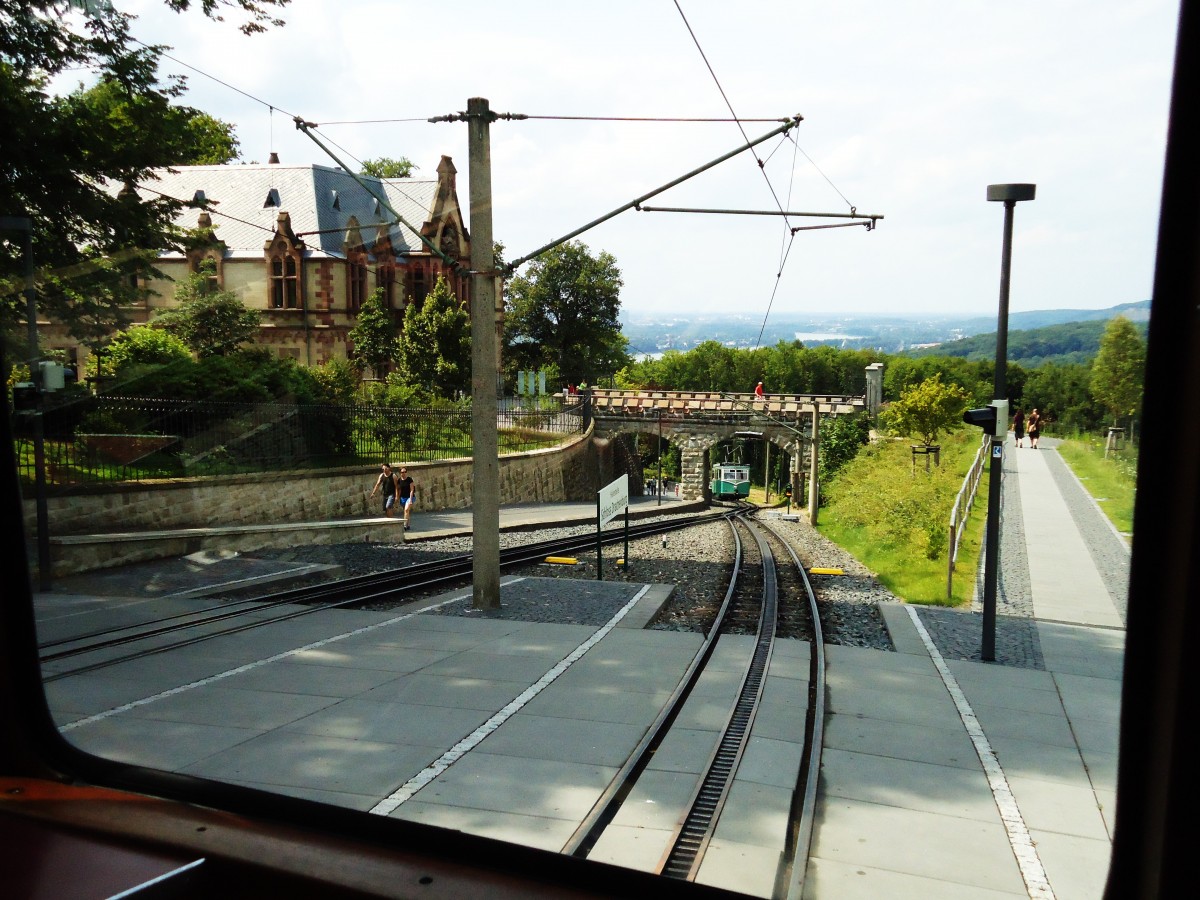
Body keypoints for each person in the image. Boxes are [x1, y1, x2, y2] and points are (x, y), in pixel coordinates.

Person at [396, 465, 417, 530]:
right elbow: (399, 490)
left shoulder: (409, 479)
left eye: (405, 472)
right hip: (403, 498)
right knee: (406, 511)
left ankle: (405, 525)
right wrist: (397, 497)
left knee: (406, 509)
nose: (403, 473)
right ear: (400, 473)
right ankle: (408, 525)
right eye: (402, 472)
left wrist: (410, 500)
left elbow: (412, 490)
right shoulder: (399, 480)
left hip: (410, 497)